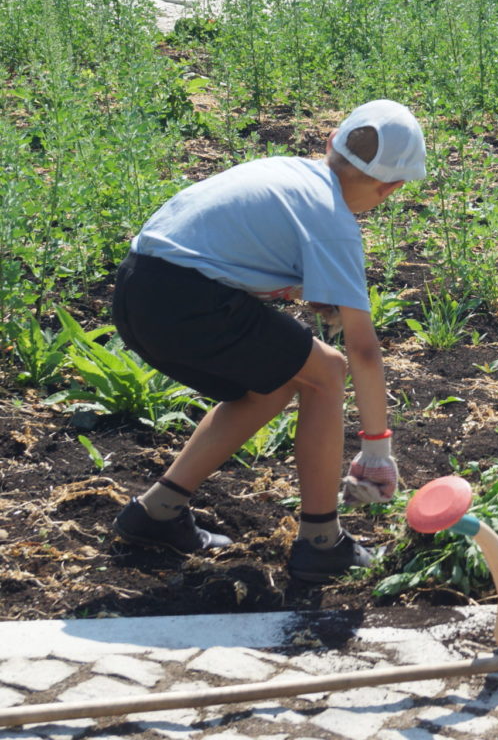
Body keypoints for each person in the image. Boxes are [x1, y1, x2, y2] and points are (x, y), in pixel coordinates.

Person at [111, 100, 426, 582]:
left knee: (275, 383)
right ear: (390, 188)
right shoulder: (335, 223)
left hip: (138, 289)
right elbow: (364, 350)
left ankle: (156, 512)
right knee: (328, 370)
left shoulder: (287, 172)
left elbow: (235, 246)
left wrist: (308, 292)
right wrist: (377, 449)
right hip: (185, 299)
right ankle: (322, 542)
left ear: (330, 144)